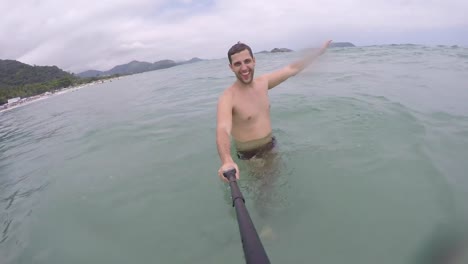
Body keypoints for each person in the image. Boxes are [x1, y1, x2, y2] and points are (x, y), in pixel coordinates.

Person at [216, 39, 332, 182]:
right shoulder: (228, 97)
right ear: (231, 67)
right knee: (265, 195)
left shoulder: (263, 83)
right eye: (238, 64)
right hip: (250, 156)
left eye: (247, 61)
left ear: (254, 61)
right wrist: (227, 160)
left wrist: (318, 53)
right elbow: (223, 128)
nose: (244, 68)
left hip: (272, 146)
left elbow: (292, 69)